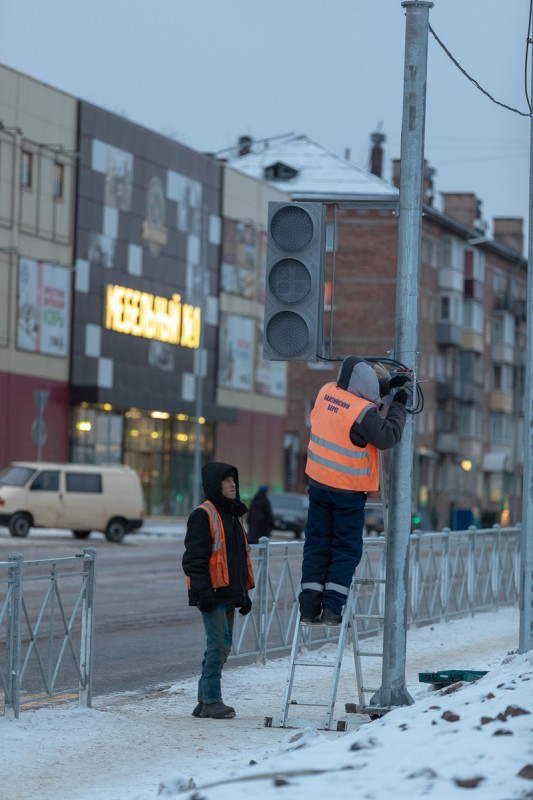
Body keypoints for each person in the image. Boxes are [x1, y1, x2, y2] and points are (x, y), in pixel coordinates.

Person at [298, 356, 411, 626]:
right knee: (345, 549)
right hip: (347, 491)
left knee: (317, 545)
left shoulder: (326, 392)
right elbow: (388, 435)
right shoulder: (363, 413)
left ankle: (309, 608)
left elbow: (355, 392)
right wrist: (399, 403)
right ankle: (333, 608)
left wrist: (385, 385)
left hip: (318, 485)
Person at [182, 461, 255, 719]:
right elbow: (194, 560)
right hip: (212, 594)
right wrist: (203, 594)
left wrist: (244, 594)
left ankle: (204, 702)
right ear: (215, 484)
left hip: (229, 592)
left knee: (222, 646)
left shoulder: (232, 516)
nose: (233, 484)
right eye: (226, 480)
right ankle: (212, 700)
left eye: (234, 480)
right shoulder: (204, 514)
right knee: (219, 646)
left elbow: (237, 560)